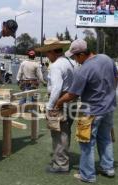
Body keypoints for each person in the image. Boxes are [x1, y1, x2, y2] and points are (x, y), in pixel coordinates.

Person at [55, 39, 118, 183]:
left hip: (91, 111)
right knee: (105, 139)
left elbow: (72, 94)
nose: (75, 60)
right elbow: (115, 77)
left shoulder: (84, 70)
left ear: (82, 54)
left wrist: (58, 102)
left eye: (75, 57)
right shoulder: (106, 58)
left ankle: (87, 175)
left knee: (86, 143)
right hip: (108, 108)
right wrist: (109, 93)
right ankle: (108, 168)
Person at [35, 38, 76, 174]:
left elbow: (56, 89)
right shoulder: (70, 62)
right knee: (64, 132)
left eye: (47, 52)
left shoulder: (56, 66)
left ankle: (61, 164)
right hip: (71, 101)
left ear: (52, 51)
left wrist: (50, 107)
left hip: (61, 102)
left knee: (59, 134)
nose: (47, 55)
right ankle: (61, 160)